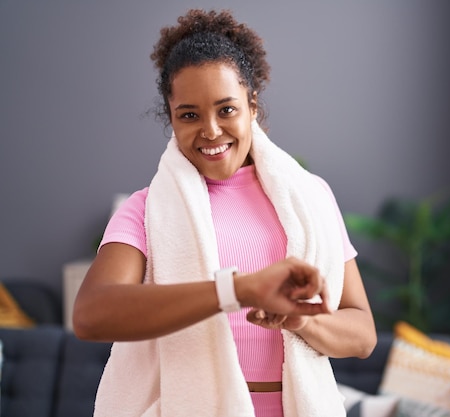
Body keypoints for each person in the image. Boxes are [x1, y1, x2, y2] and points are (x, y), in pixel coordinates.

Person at [73, 8, 376, 417]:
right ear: (171, 118)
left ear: (252, 106)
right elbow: (92, 315)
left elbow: (362, 335)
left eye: (227, 109)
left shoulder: (311, 199)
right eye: (189, 115)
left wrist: (301, 322)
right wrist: (238, 290)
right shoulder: (145, 211)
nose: (211, 130)